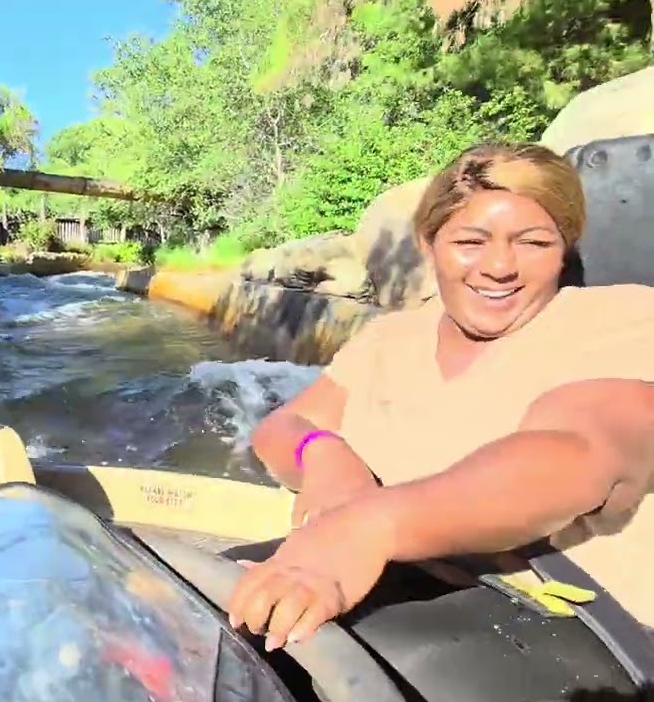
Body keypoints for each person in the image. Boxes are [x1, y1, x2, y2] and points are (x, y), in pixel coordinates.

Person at [231, 142, 654, 653]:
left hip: (574, 631)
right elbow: (283, 427)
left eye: (534, 243)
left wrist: (368, 525)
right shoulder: (391, 340)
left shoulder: (623, 320)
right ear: (429, 244)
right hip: (404, 585)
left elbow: (576, 453)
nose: (500, 266)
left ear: (564, 247)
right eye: (470, 241)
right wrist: (323, 454)